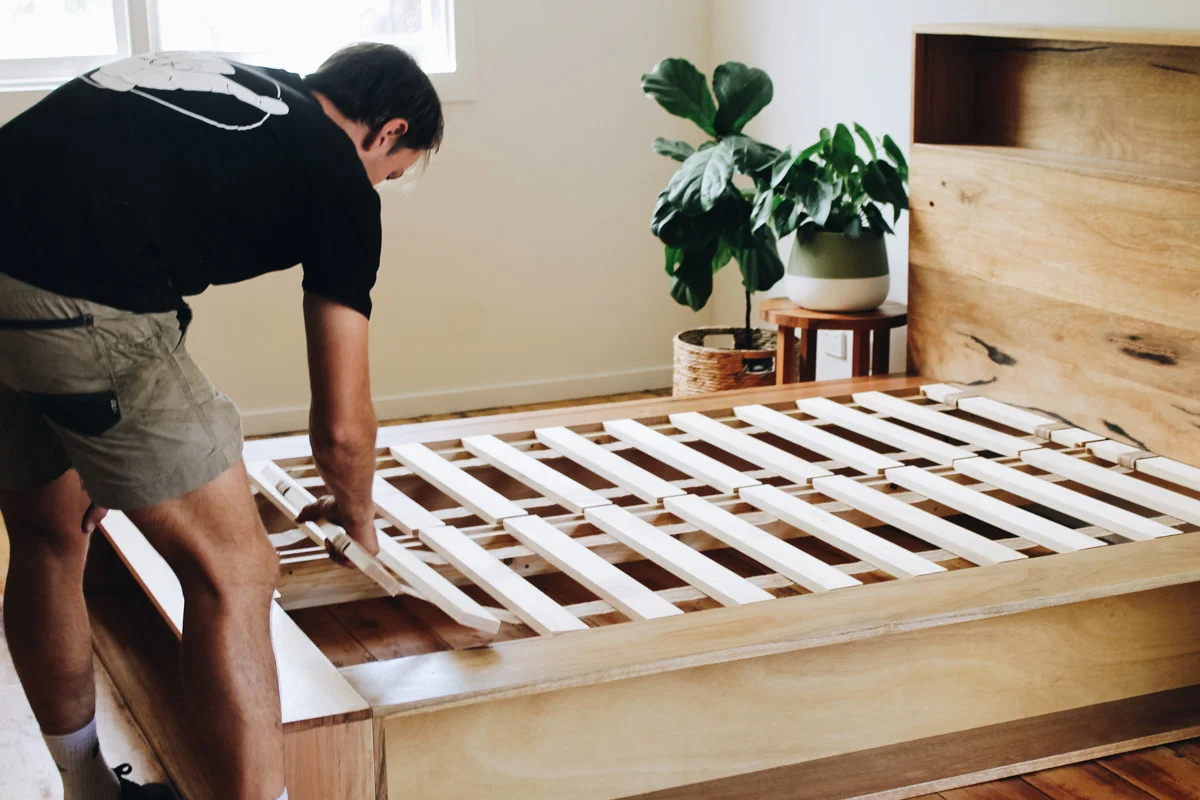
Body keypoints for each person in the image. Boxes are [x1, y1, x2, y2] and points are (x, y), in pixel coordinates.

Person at [0, 43, 443, 800]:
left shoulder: (240, 83)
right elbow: (341, 424)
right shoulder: (338, 175)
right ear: (387, 131)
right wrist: (358, 516)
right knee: (236, 570)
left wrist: (109, 445)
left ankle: (87, 788)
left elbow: (128, 210)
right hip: (74, 292)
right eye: (392, 172)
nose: (379, 184)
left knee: (48, 536)